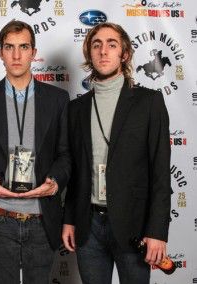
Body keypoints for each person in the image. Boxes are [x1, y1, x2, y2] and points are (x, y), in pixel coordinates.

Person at [62, 22, 171, 284]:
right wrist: (69, 220)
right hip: (88, 228)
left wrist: (157, 232)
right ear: (89, 53)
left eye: (112, 44)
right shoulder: (76, 108)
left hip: (134, 227)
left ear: (124, 54)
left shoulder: (149, 102)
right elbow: (76, 172)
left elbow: (160, 174)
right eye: (96, 45)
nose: (103, 51)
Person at [0, 20, 70, 283]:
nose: (16, 55)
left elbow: (65, 155)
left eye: (23, 47)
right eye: (9, 47)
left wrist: (55, 182)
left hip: (40, 216)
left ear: (34, 53)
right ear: (0, 53)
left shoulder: (57, 99)